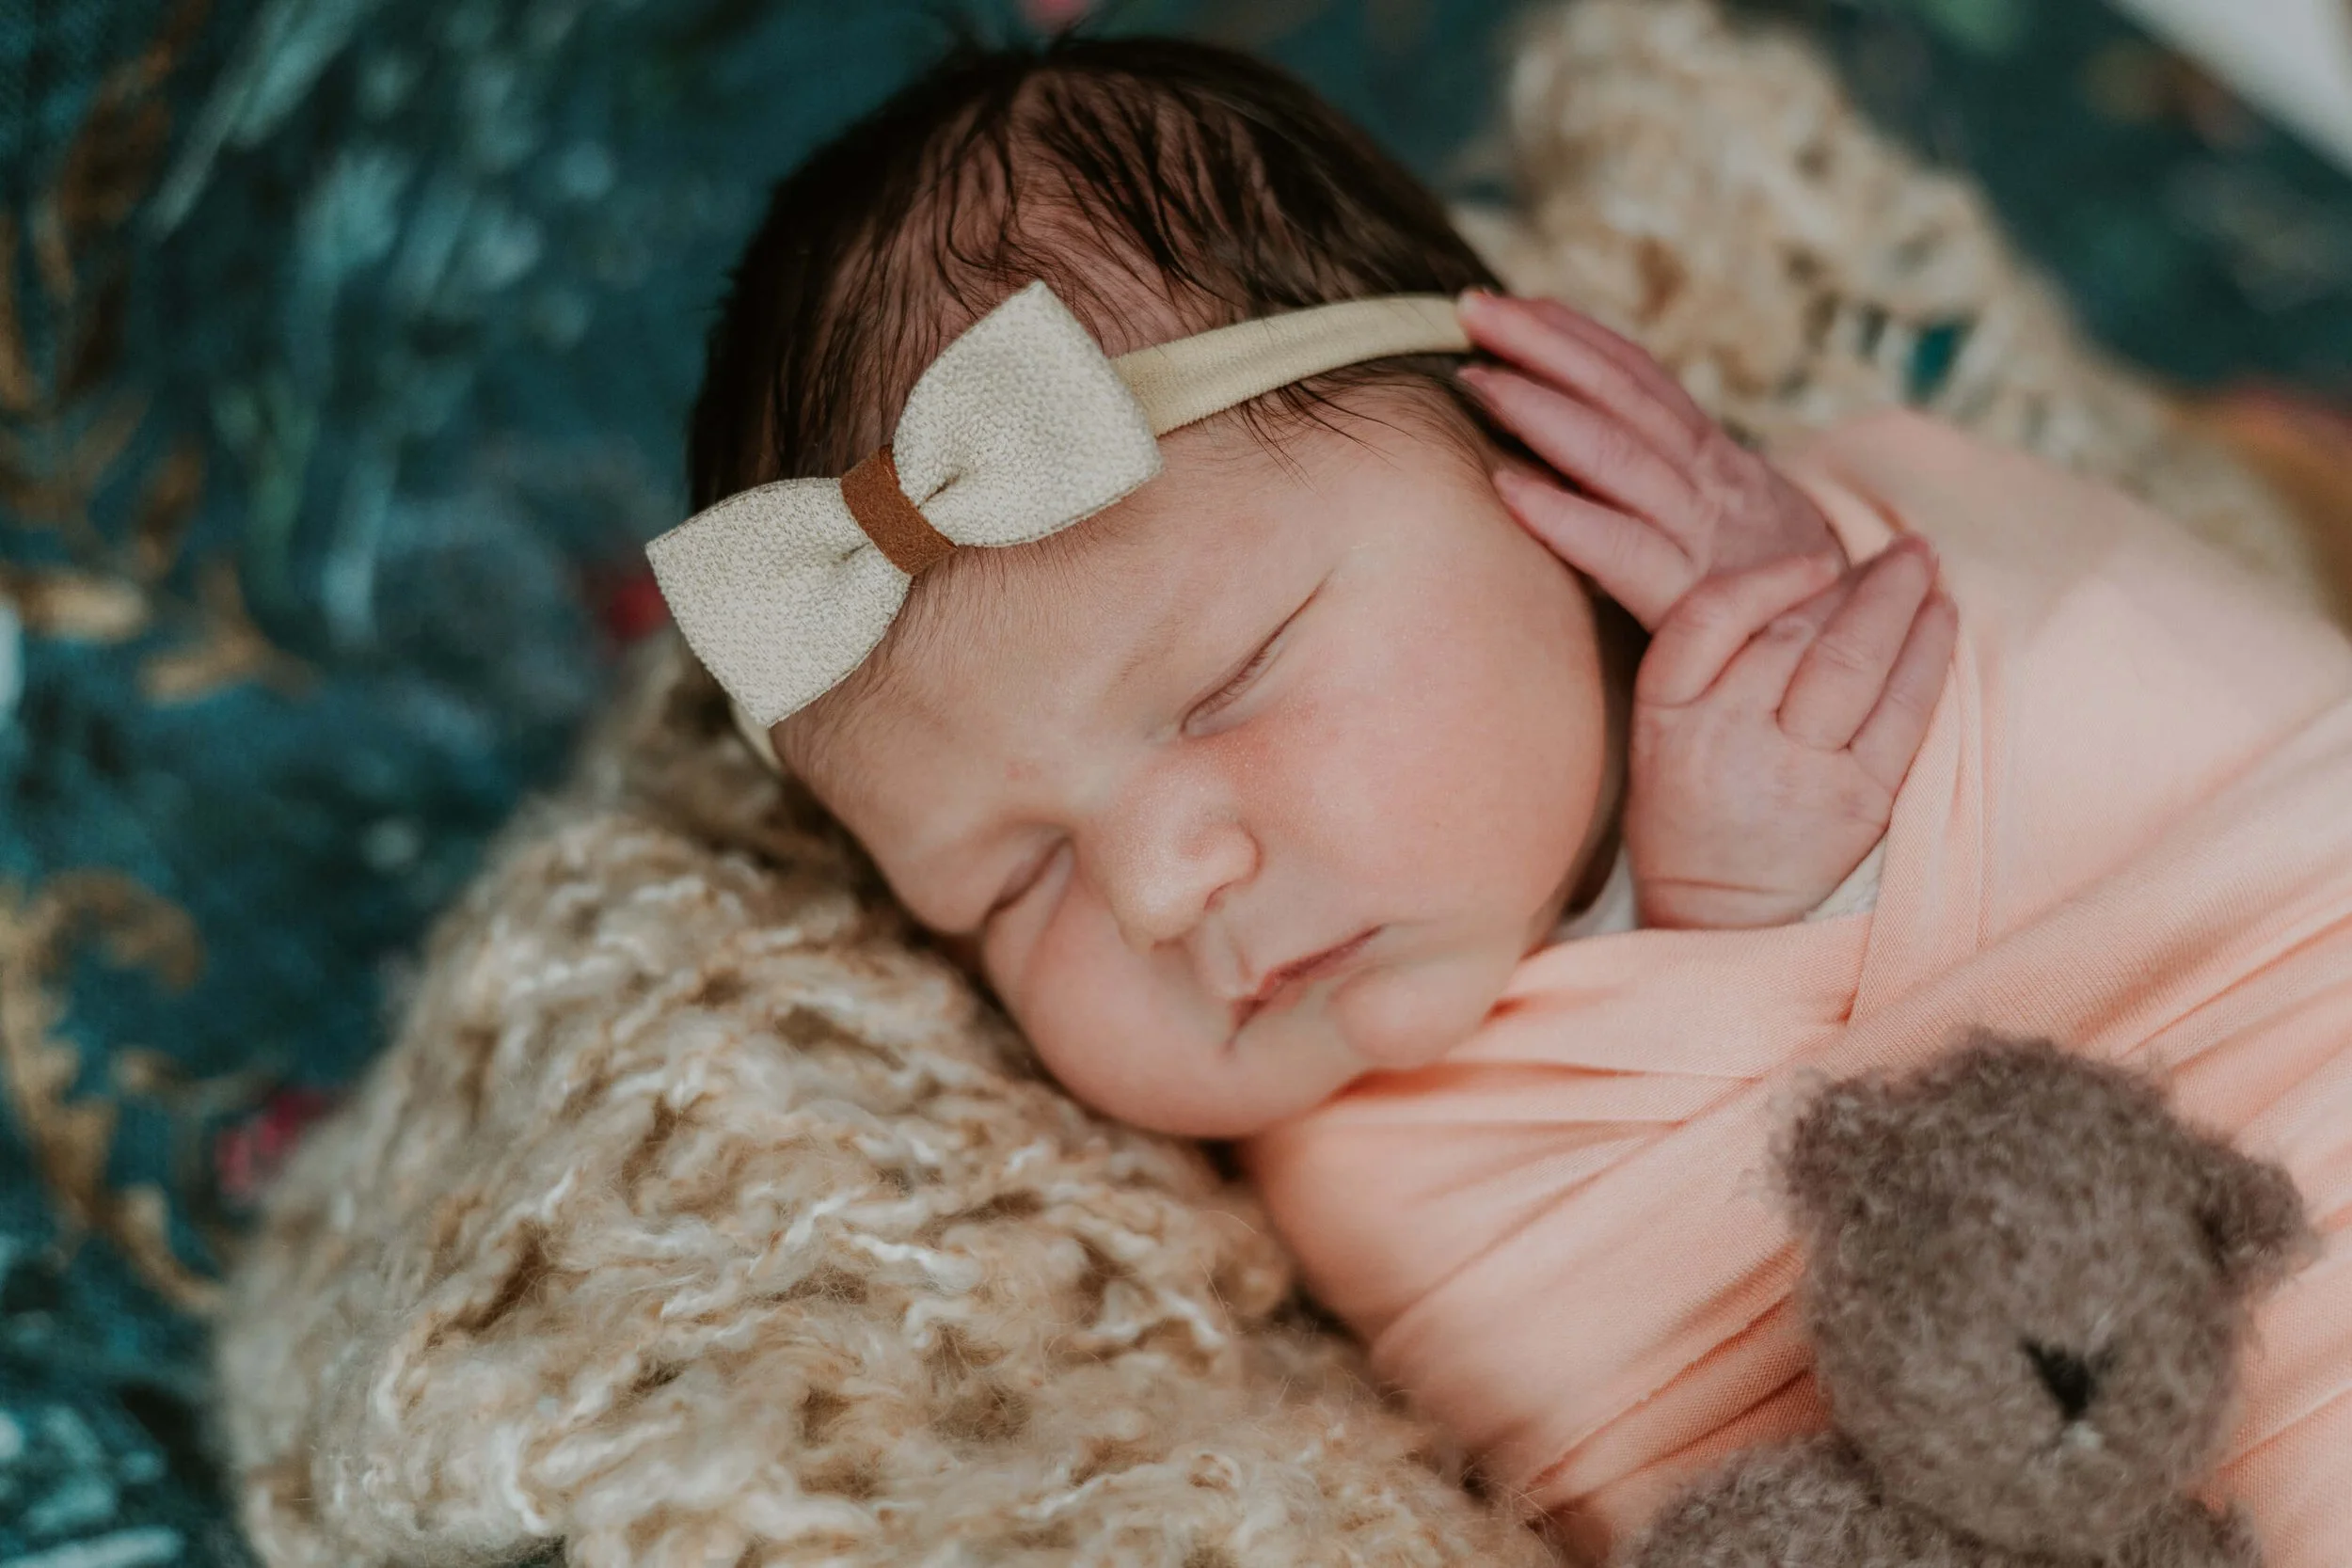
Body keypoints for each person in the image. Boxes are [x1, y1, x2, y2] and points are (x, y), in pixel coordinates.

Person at [655, 34, 2352, 1563]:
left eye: (1231, 679)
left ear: (1537, 453)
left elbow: (2203, 772)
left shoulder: (1844, 586)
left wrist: (1825, 769)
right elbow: (1736, 1437)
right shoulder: (1348, 1183)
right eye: (1014, 883)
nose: (1164, 886)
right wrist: (1730, 923)